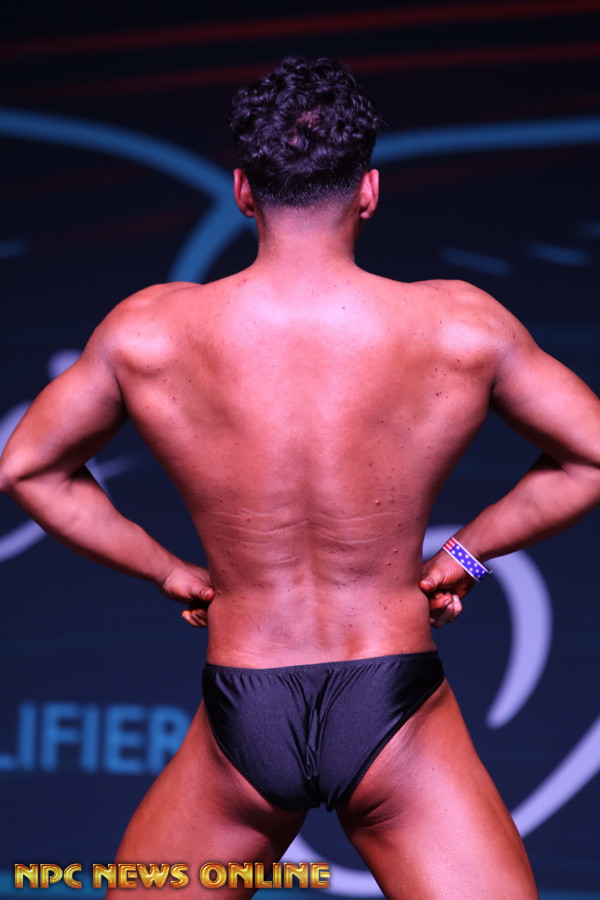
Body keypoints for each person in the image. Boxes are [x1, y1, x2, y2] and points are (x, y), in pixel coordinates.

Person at [1, 56, 599, 899]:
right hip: (394, 699)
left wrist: (166, 570)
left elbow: (27, 467)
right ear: (369, 191)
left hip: (243, 702)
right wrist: (466, 554)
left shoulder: (149, 333)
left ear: (243, 190)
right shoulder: (461, 326)